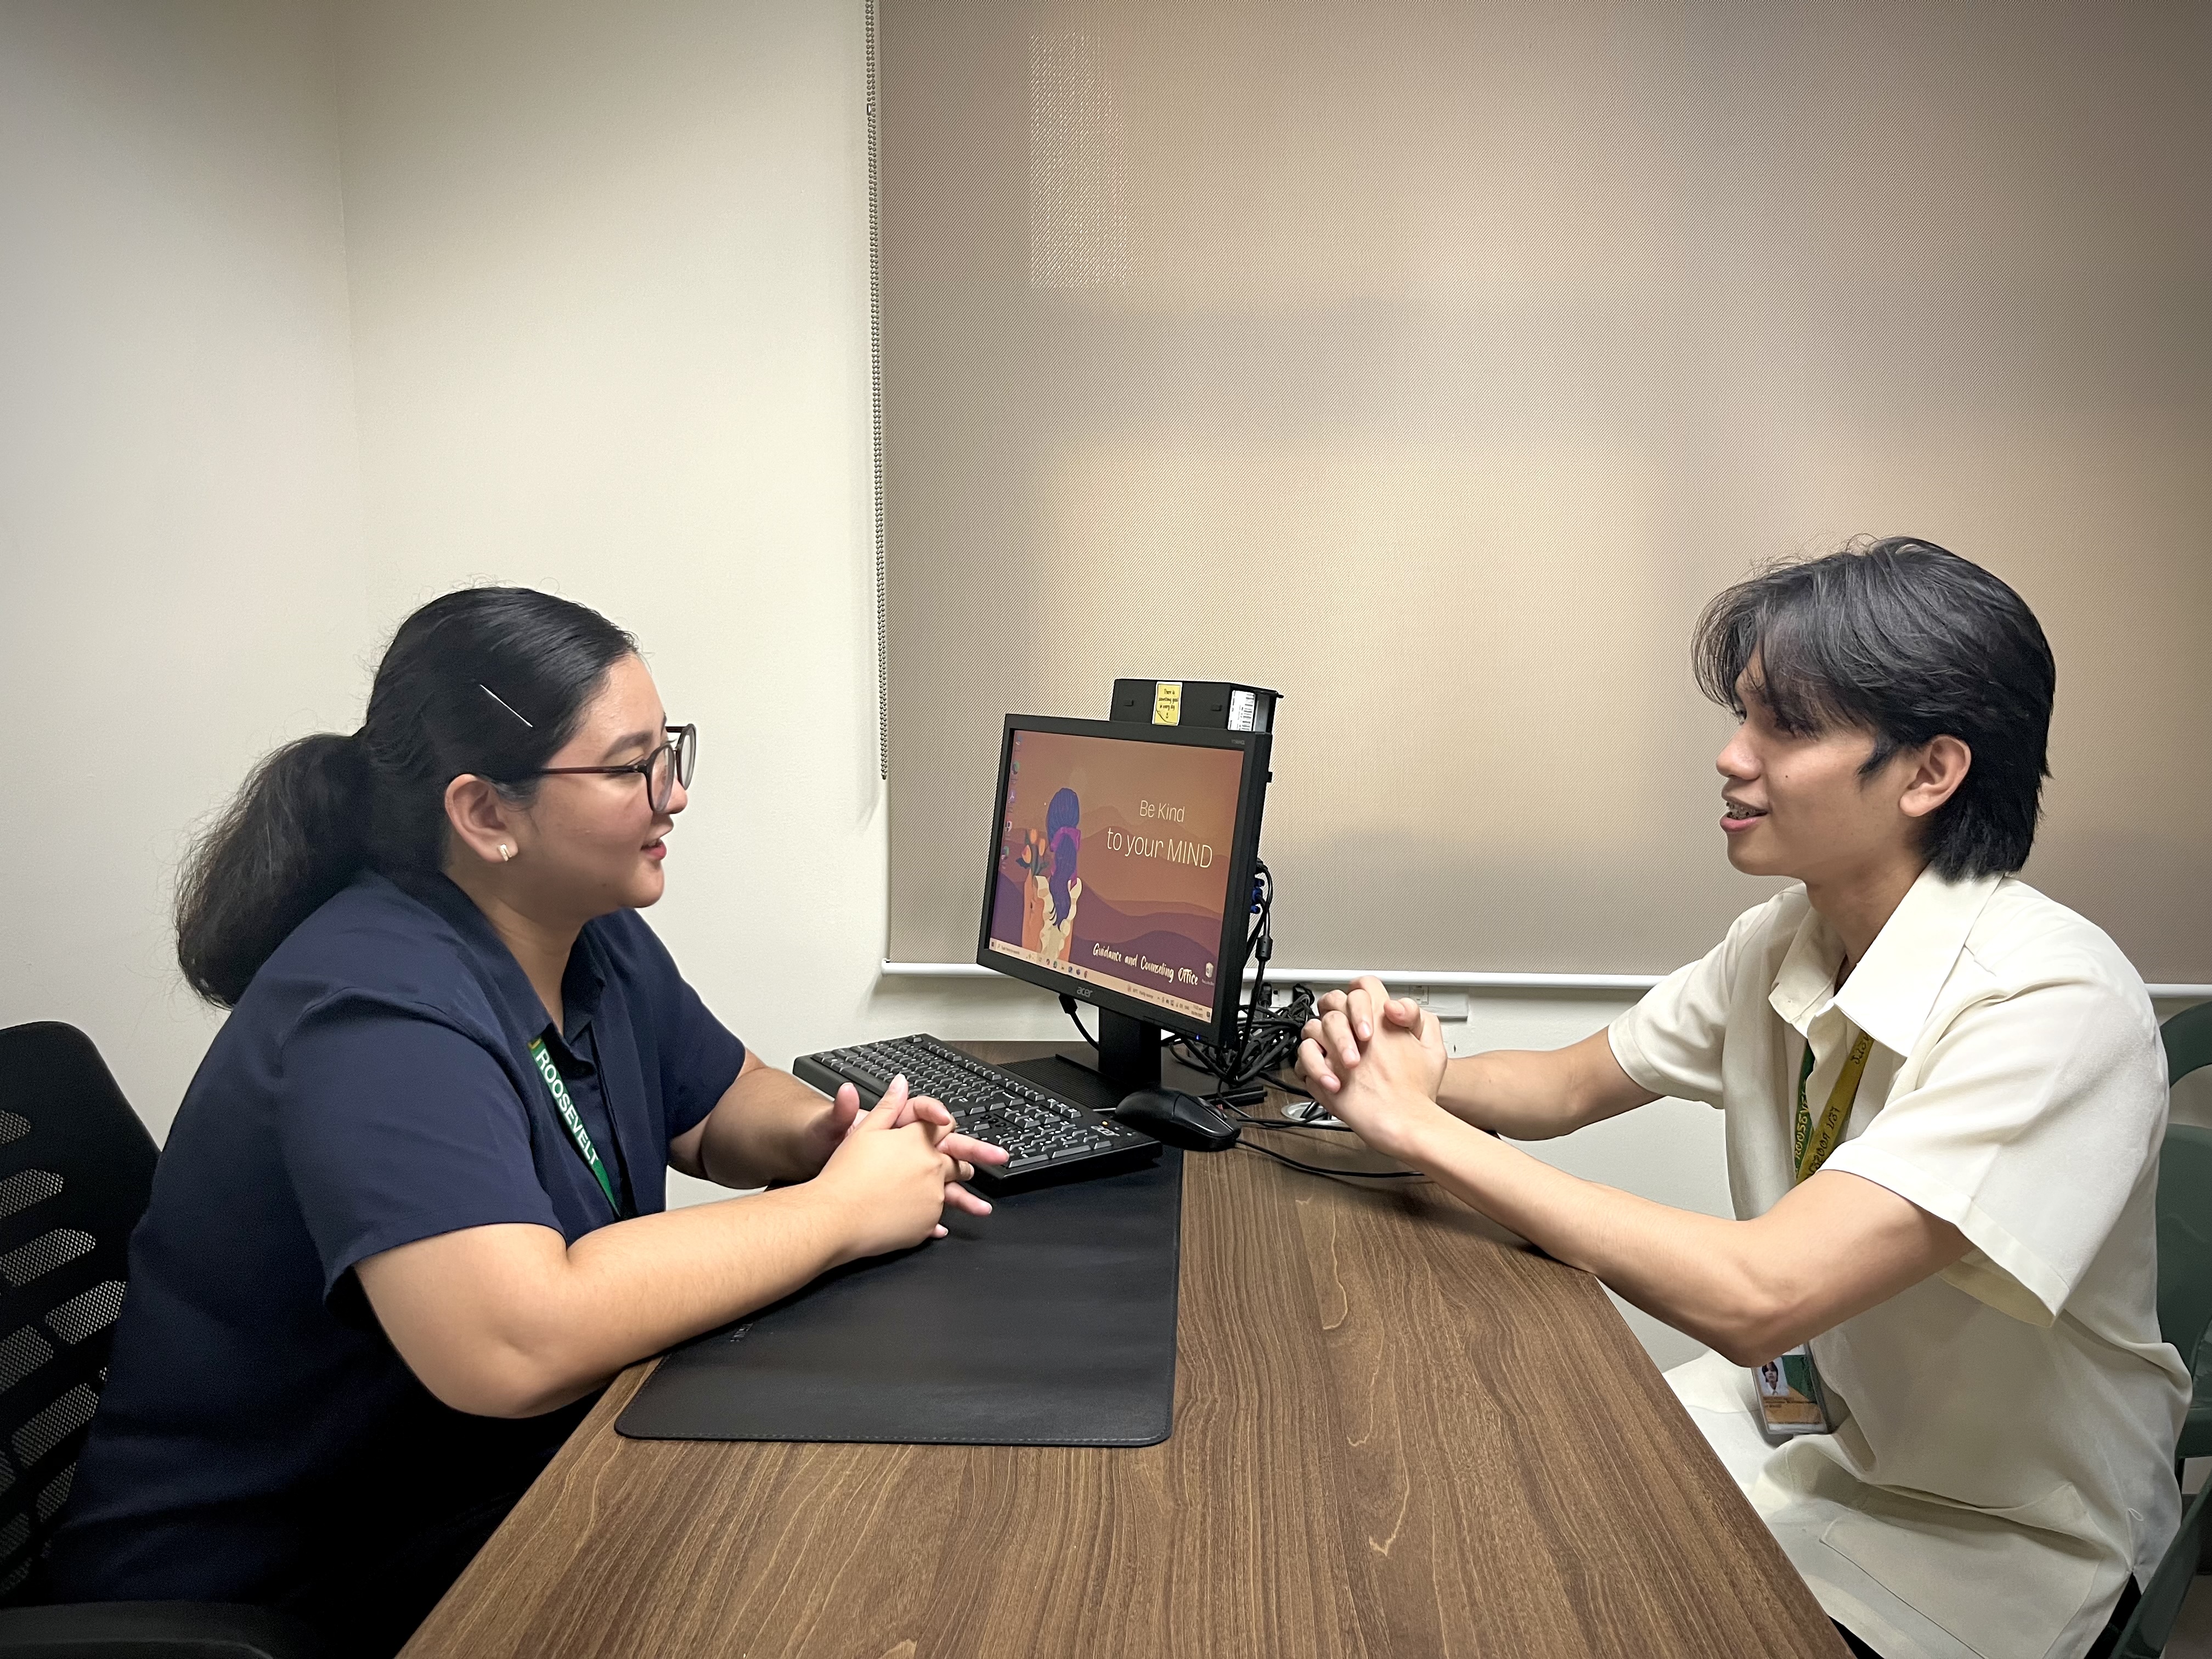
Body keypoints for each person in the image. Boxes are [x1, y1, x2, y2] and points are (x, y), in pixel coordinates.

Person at [42, 588, 1005, 1657]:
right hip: (280, 1594)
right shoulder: (373, 1003)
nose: (673, 796)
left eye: (671, 750)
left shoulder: (580, 929)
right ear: (486, 814)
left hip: (479, 1498)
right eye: (630, 767)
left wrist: (835, 1138)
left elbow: (723, 1100)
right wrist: (837, 1215)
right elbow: (512, 1342)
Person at [1296, 539, 2188, 1659]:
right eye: (1741, 715)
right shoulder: (1787, 937)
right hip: (1809, 1427)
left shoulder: (2055, 1002)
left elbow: (1764, 1295)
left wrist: (1419, 1130)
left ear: (1930, 772)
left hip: (1997, 1535)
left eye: (1787, 726)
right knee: (1477, 1515)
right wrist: (1416, 1074)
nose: (1731, 757)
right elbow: (1567, 1085)